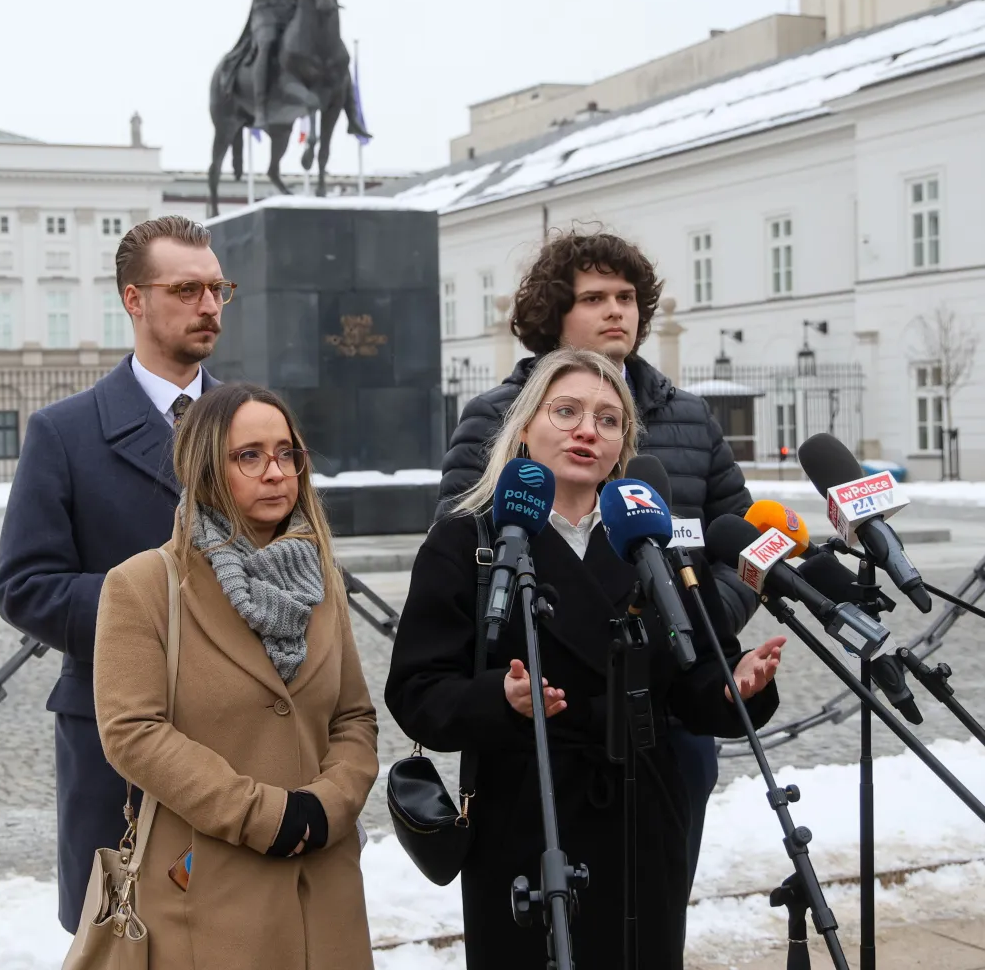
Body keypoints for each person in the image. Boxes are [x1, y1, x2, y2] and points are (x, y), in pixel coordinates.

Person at [388, 348, 784, 968]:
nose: (586, 431)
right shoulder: (469, 539)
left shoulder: (652, 538)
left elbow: (696, 674)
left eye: (607, 420)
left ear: (622, 444)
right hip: (525, 817)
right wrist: (500, 698)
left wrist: (737, 686)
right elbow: (417, 689)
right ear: (525, 428)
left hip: (642, 816)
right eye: (566, 411)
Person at [432, 226, 753, 885]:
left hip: (669, 712)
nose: (617, 311)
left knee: (653, 901)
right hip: (540, 720)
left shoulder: (690, 418)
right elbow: (460, 559)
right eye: (596, 297)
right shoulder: (497, 416)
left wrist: (690, 623)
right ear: (554, 314)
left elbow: (744, 542)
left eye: (628, 297)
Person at [0, 215, 234, 931]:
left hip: (243, 735)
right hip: (118, 737)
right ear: (134, 300)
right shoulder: (64, 433)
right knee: (124, 937)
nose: (209, 305)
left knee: (240, 929)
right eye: (187, 288)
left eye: (219, 288)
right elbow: (25, 586)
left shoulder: (252, 423)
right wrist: (157, 606)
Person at [95, 383, 378, 969]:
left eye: (287, 454)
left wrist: (331, 803)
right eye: (249, 456)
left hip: (324, 888)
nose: (275, 472)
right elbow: (133, 731)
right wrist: (262, 815)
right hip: (206, 889)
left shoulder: (320, 578)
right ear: (205, 470)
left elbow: (353, 716)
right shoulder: (143, 585)